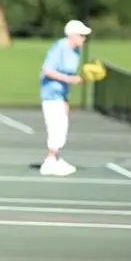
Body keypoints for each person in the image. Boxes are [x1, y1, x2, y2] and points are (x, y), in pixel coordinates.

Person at [38, 19, 91, 176]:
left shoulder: (76, 52)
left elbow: (69, 75)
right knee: (55, 127)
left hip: (61, 95)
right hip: (50, 93)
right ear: (72, 35)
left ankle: (55, 159)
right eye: (81, 35)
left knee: (62, 127)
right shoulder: (60, 47)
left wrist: (66, 98)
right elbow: (47, 69)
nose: (84, 38)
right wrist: (69, 80)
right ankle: (49, 161)